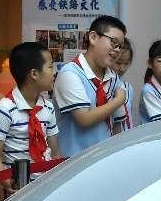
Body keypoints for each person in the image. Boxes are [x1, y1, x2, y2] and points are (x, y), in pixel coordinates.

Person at [0, 42, 61, 194]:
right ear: (34, 74)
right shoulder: (4, 108)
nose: (54, 72)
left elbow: (54, 152)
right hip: (19, 186)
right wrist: (6, 182)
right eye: (50, 67)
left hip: (45, 183)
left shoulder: (47, 107)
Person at [53, 15, 129, 157]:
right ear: (93, 37)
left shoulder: (113, 77)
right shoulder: (70, 74)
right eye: (113, 42)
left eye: (121, 46)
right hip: (72, 162)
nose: (117, 50)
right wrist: (118, 100)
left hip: (102, 160)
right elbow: (84, 119)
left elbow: (118, 124)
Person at [111, 39, 137, 127]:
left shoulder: (128, 88)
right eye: (118, 63)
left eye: (126, 63)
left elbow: (129, 117)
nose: (122, 68)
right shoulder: (105, 87)